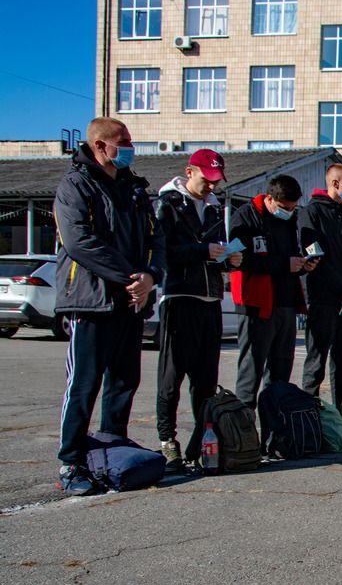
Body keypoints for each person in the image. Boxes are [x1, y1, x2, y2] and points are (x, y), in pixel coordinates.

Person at [54, 117, 165, 495]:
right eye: (125, 141)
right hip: (91, 301)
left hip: (130, 301)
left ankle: (110, 450)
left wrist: (150, 276)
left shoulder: (134, 187)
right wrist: (128, 277)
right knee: (84, 385)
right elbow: (78, 241)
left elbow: (155, 239)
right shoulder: (76, 185)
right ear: (101, 146)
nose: (131, 147)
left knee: (124, 382)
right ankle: (71, 461)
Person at [154, 148, 242, 472]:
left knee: (205, 380)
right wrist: (203, 250)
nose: (211, 188)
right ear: (189, 172)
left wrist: (229, 260)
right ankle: (168, 442)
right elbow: (164, 251)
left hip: (210, 300)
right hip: (180, 298)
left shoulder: (215, 208)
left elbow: (214, 251)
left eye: (216, 183)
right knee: (171, 377)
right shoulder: (168, 204)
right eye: (206, 181)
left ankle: (201, 442)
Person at [229, 175, 314, 412]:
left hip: (285, 302)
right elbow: (242, 260)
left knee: (280, 371)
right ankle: (243, 431)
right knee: (251, 369)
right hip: (257, 304)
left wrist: (301, 265)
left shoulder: (289, 221)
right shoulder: (246, 216)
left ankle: (276, 432)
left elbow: (292, 255)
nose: (289, 212)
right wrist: (285, 264)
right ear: (270, 199)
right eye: (285, 207)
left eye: (293, 208)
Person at [299, 164, 342, 407]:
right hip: (323, 296)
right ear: (335, 184)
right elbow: (315, 256)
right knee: (317, 361)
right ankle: (309, 411)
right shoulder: (312, 212)